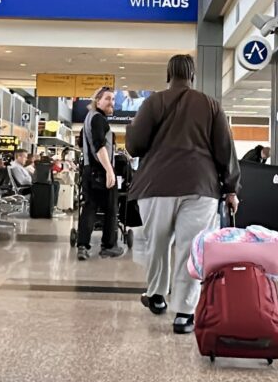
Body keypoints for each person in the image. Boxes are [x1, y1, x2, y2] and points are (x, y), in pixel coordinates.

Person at [126, 55, 241, 335]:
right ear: (193, 75)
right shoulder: (210, 104)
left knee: (157, 243)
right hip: (200, 186)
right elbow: (225, 149)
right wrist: (231, 188)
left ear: (168, 75)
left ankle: (156, 295)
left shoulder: (153, 102)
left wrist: (133, 130)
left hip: (156, 186)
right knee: (191, 249)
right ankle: (184, 313)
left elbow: (135, 145)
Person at [77, 87, 125, 261]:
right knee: (111, 208)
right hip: (101, 171)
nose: (112, 102)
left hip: (88, 169)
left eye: (113, 99)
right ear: (98, 101)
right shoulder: (98, 119)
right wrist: (109, 170)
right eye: (108, 98)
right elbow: (99, 146)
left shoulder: (89, 118)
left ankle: (82, 246)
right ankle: (108, 246)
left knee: (89, 207)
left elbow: (82, 143)